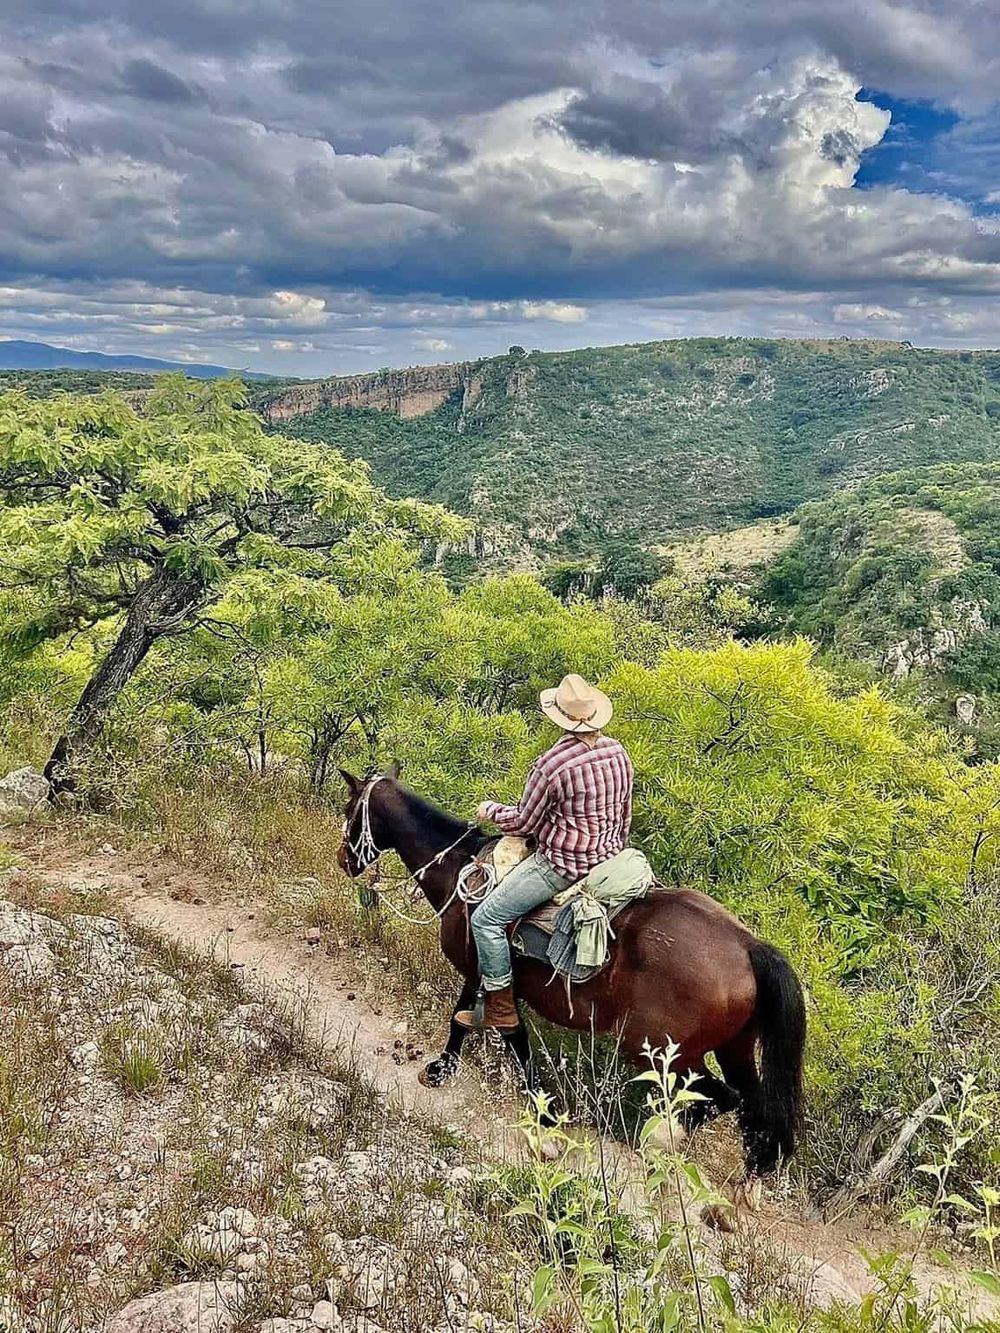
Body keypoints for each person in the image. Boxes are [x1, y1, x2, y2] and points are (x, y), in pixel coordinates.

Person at [455, 673, 634, 1031]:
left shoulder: (550, 765)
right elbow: (625, 811)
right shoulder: (617, 751)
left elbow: (523, 823)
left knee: (486, 919)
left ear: (560, 717)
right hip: (612, 858)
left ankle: (500, 1008)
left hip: (563, 866)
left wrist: (490, 810)